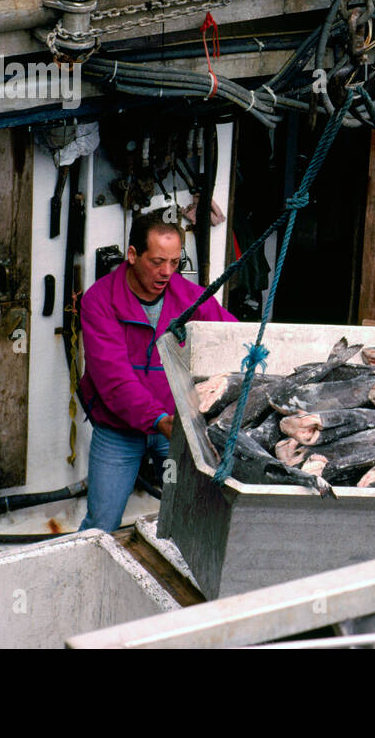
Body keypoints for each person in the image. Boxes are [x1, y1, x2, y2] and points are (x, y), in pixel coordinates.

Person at [78, 209, 236, 532]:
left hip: (173, 429)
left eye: (175, 262)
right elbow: (114, 380)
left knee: (186, 512)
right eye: (157, 262)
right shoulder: (99, 301)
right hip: (119, 430)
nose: (167, 272)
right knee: (101, 523)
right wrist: (161, 421)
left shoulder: (191, 297)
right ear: (133, 255)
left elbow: (230, 337)